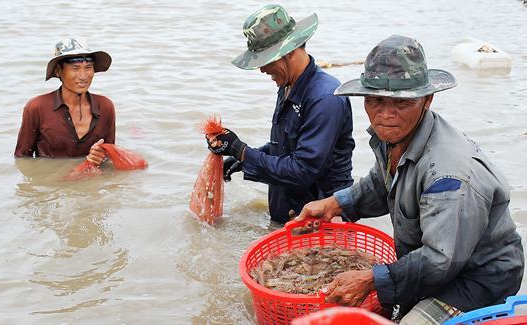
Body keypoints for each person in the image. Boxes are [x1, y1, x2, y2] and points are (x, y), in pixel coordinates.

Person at [296, 35, 524, 324]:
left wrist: (371, 279)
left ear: (427, 100)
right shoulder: (395, 137)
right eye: (376, 100)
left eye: (402, 102)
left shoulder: (448, 173)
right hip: (440, 261)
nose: (386, 114)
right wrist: (334, 204)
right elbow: (382, 183)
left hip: (477, 279)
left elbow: (441, 260)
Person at [207, 4, 355, 223]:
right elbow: (288, 145)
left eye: (266, 60)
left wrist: (243, 152)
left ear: (289, 51)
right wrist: (241, 158)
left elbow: (302, 170)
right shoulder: (288, 85)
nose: (262, 69)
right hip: (289, 213)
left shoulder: (325, 98)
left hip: (320, 220)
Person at [15, 38, 115, 166]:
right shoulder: (37, 107)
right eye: (75, 68)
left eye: (88, 67)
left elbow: (111, 156)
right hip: (51, 184)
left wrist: (101, 157)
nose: (83, 76)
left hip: (89, 183)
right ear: (58, 71)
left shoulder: (106, 107)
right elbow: (22, 159)